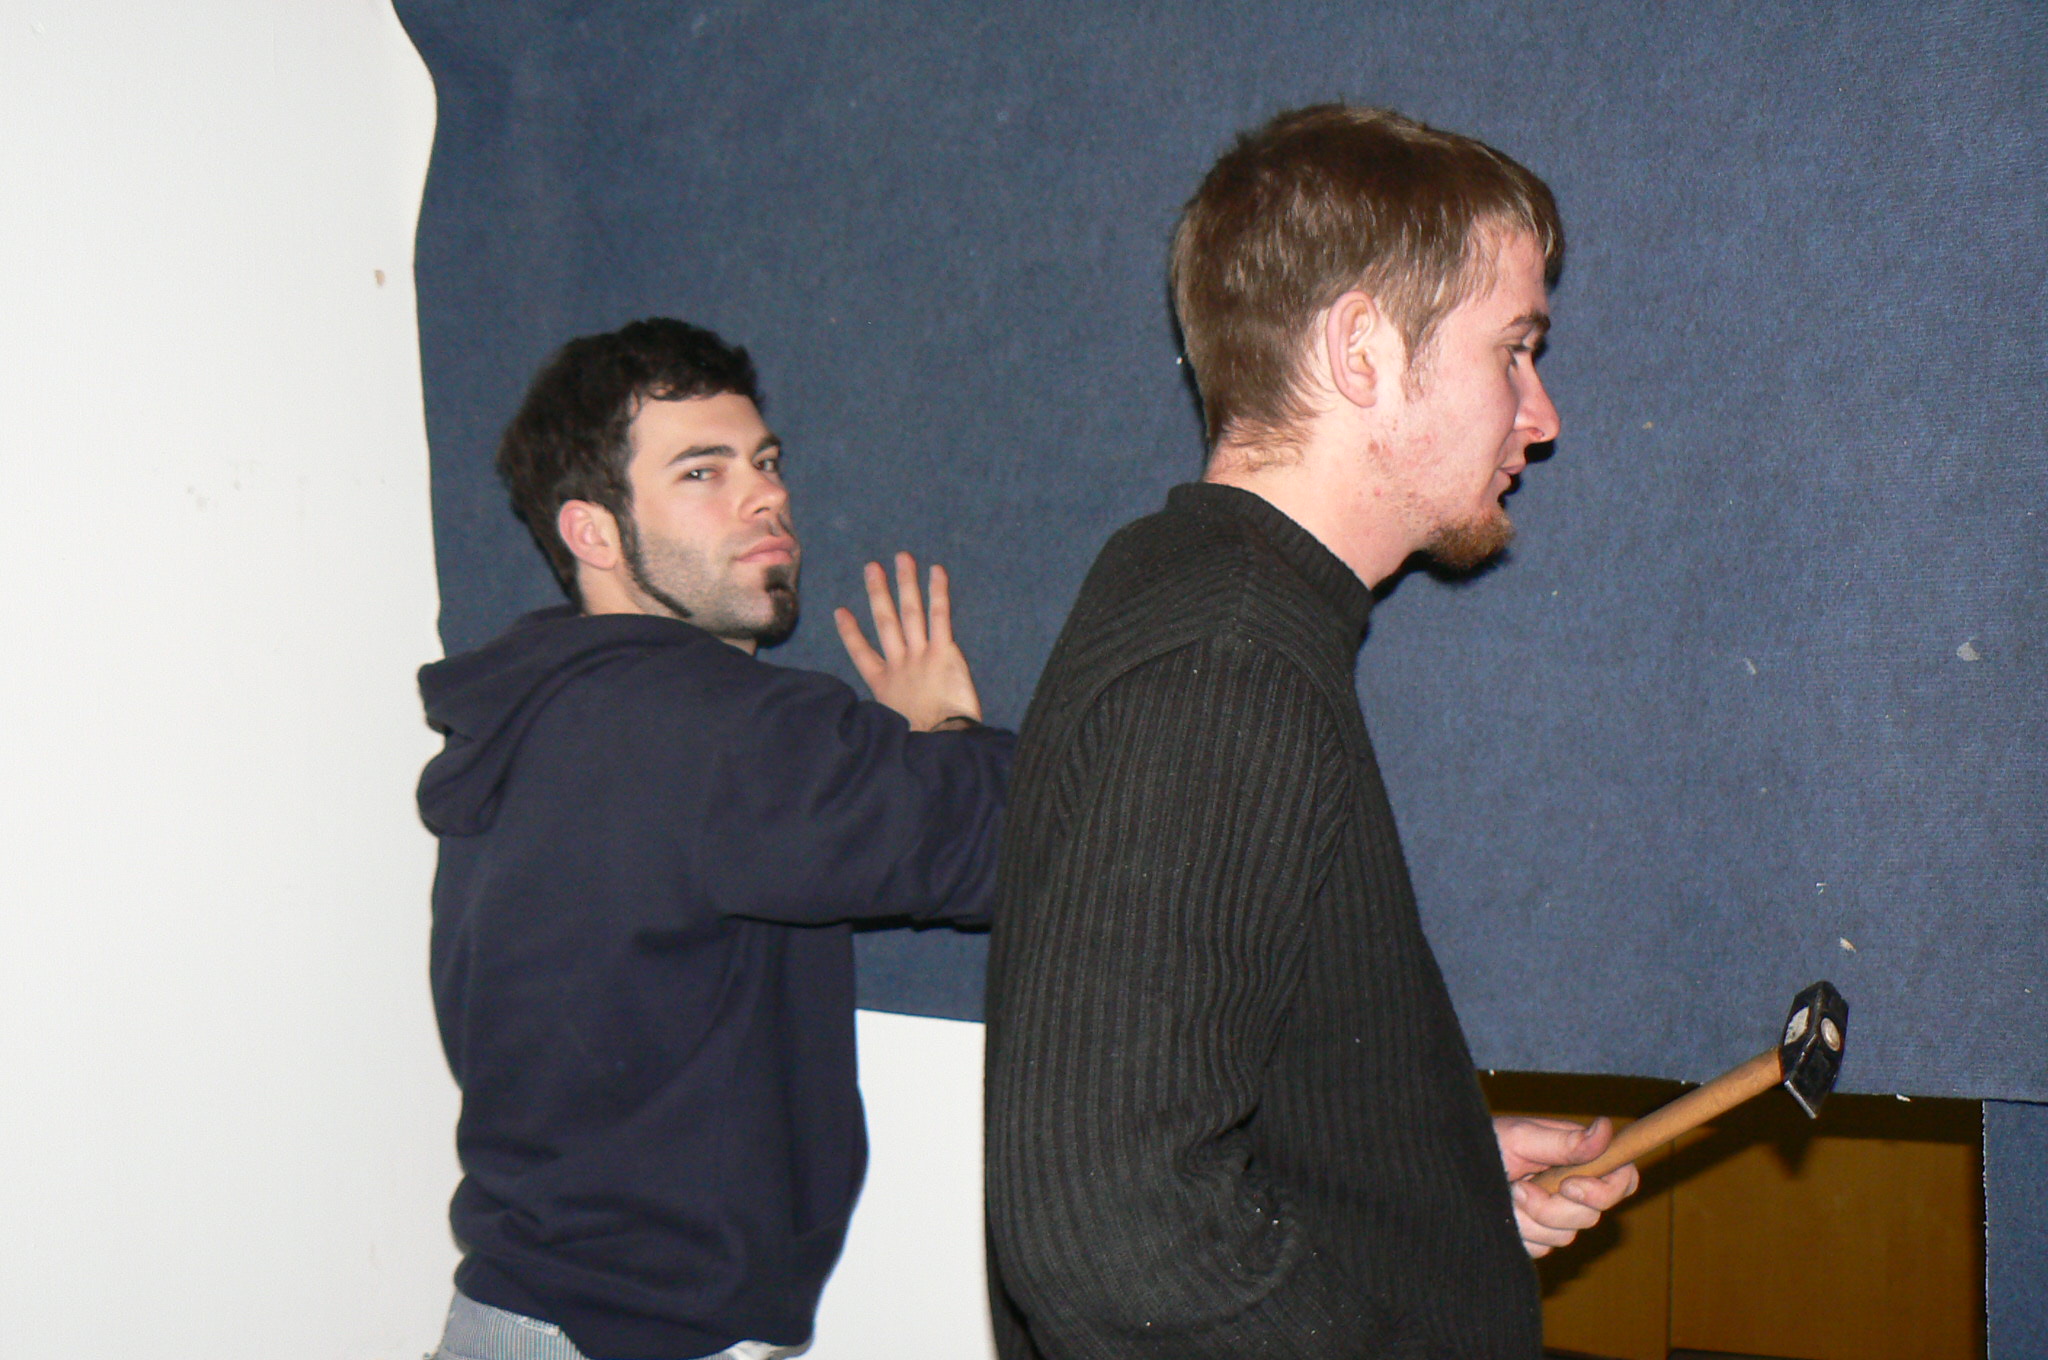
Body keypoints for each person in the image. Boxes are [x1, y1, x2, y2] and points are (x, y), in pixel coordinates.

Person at [983, 106, 1639, 1360]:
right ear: (1359, 350)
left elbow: (1212, 1087)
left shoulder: (1196, 595)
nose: (1539, 414)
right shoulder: (1223, 665)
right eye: (1512, 350)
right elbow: (1106, 1227)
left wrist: (1423, 1185)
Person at [417, 318, 1012, 1360]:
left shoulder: (555, 713)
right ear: (594, 533)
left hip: (520, 1320)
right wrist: (946, 732)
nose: (764, 496)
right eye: (702, 471)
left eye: (764, 462)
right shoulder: (707, 729)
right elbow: (1026, 842)